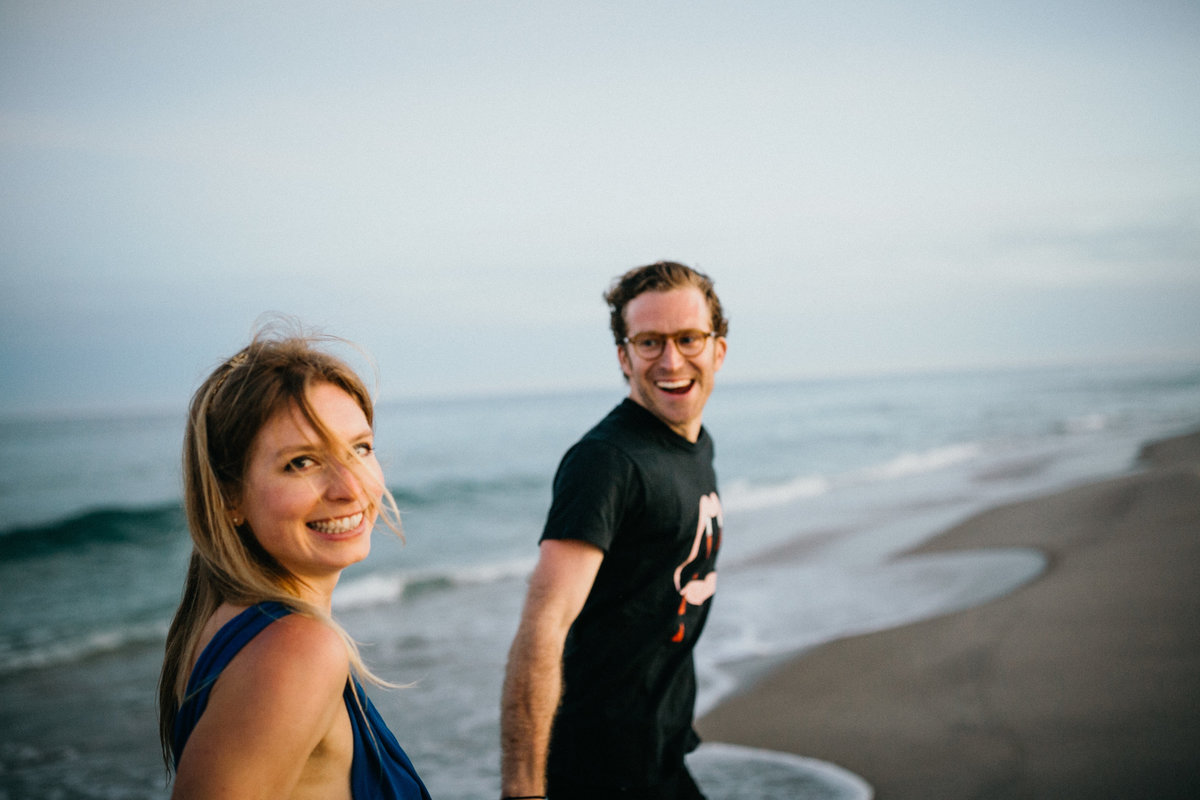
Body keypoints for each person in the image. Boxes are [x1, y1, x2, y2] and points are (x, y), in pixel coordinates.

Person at [157, 326, 431, 799]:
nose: (350, 488)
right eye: (301, 462)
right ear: (229, 497)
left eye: (359, 448)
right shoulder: (297, 652)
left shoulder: (226, 625)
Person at [500, 261, 729, 799]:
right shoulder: (606, 462)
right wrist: (522, 789)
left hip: (661, 751)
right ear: (624, 357)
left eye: (688, 338)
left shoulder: (695, 445)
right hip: (599, 769)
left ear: (718, 349)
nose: (671, 360)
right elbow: (542, 629)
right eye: (649, 342)